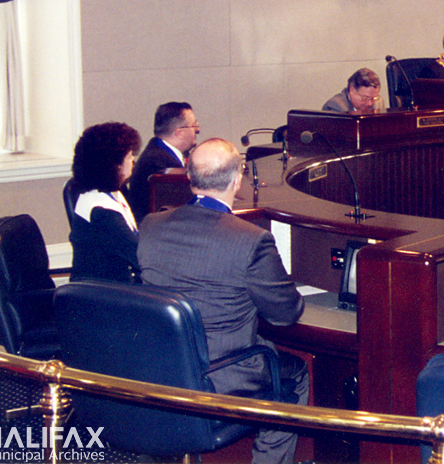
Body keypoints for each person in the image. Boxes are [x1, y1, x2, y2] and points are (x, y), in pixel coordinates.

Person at [138, 138, 309, 464]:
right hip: (224, 373)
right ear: (237, 179)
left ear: (189, 177)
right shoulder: (250, 239)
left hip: (163, 368)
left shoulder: (151, 226)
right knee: (295, 375)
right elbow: (286, 314)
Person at [68, 122, 142, 283]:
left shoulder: (112, 193)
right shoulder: (100, 211)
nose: (133, 160)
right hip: (102, 297)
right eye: (129, 156)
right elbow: (138, 256)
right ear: (114, 164)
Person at [125, 102, 199, 222]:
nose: (198, 129)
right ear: (179, 133)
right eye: (194, 125)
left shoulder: (161, 152)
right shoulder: (159, 163)